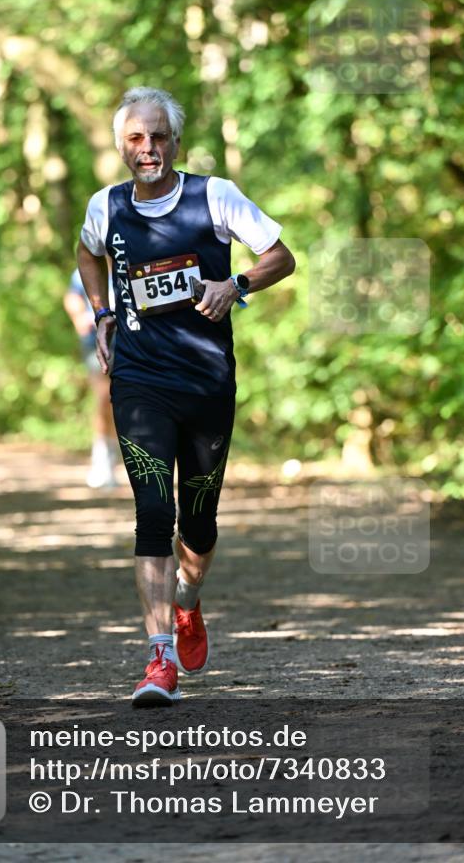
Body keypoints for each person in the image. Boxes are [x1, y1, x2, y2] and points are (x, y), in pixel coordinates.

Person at [77, 87, 295, 706]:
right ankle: (159, 659)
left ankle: (188, 604)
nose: (147, 148)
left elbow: (282, 257)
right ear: (122, 146)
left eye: (158, 137)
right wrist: (101, 313)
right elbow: (87, 254)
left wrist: (236, 284)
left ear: (175, 142)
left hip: (206, 383)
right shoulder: (106, 206)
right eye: (135, 138)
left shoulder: (215, 196)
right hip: (138, 381)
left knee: (198, 523)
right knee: (153, 513)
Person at [63, 267, 119, 489]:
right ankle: (103, 459)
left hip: (131, 343)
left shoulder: (132, 258)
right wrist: (79, 317)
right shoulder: (86, 268)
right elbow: (72, 296)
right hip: (96, 342)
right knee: (104, 399)